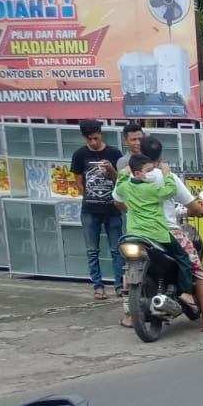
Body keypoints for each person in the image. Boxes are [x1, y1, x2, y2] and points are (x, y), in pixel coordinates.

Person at [137, 137, 203, 332]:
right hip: (167, 231)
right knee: (198, 272)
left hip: (139, 232)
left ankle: (130, 317)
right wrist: (200, 211)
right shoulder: (168, 177)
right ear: (161, 156)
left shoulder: (132, 176)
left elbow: (119, 203)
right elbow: (192, 205)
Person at [112, 153, 196, 308]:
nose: (152, 174)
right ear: (138, 173)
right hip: (157, 234)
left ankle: (127, 282)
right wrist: (167, 174)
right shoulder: (151, 189)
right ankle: (186, 293)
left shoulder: (124, 188)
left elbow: (120, 184)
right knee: (183, 257)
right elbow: (170, 190)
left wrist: (125, 172)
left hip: (133, 235)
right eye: (148, 170)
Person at [71, 119, 124, 301]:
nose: (93, 142)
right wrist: (88, 195)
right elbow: (78, 181)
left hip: (113, 208)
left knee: (117, 249)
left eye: (95, 137)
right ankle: (98, 286)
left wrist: (110, 169)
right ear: (84, 137)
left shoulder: (114, 153)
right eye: (89, 139)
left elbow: (121, 181)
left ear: (101, 133)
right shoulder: (79, 155)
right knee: (92, 250)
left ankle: (119, 285)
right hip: (90, 210)